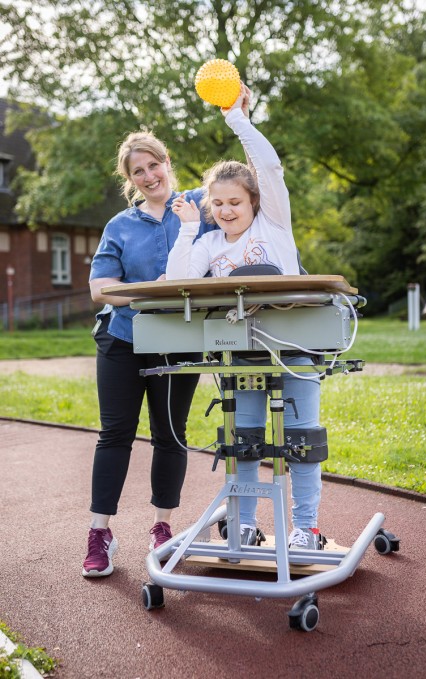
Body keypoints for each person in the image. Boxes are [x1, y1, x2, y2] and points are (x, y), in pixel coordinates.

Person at [167, 83, 323, 551]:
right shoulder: (210, 242)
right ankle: (246, 524)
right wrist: (190, 230)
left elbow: (270, 168)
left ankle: (305, 527)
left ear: (254, 201)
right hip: (243, 353)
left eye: (235, 202)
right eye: (218, 204)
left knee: (301, 441)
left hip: (296, 344)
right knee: (247, 440)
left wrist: (237, 119)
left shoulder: (273, 224)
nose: (226, 210)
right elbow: (179, 283)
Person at [82, 128, 216, 577]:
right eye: (137, 172)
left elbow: (248, 202)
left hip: (179, 341)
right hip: (123, 339)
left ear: (166, 161)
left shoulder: (202, 204)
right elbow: (101, 290)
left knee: (169, 432)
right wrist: (153, 292)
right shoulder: (119, 226)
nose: (148, 176)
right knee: (115, 433)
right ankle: (100, 532)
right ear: (130, 180)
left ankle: (163, 527)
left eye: (153, 165)